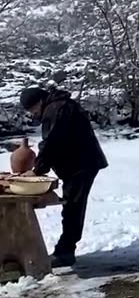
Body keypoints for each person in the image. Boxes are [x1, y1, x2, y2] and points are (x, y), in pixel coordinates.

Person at [18, 87, 109, 269]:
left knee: (73, 207)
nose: (33, 114)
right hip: (79, 163)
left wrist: (38, 169)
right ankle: (65, 249)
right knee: (72, 206)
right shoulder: (59, 106)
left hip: (81, 164)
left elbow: (52, 142)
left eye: (32, 110)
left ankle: (65, 252)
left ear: (38, 103)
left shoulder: (56, 109)